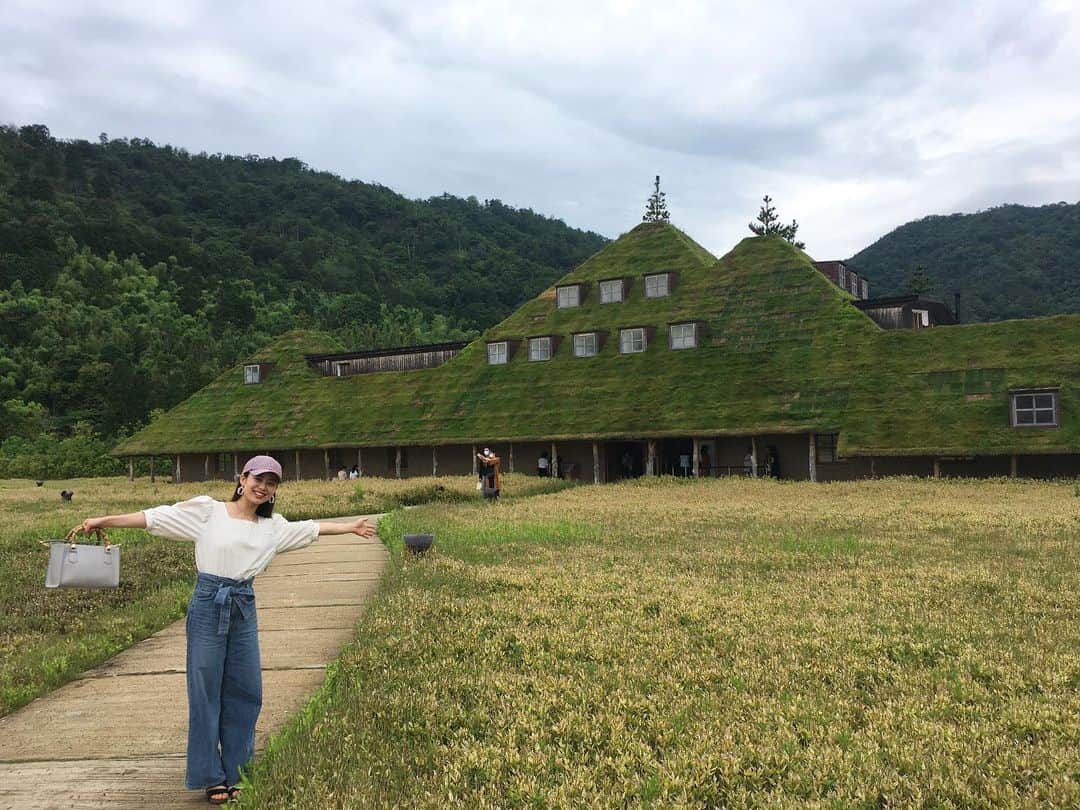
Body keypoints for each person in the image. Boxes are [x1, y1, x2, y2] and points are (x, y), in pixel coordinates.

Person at [80, 455, 375, 805]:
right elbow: (154, 517)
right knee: (205, 689)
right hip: (208, 603)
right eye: (257, 479)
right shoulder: (208, 512)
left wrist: (350, 527)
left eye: (271, 482)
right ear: (242, 478)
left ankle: (237, 771)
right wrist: (105, 520)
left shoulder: (273, 527)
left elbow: (310, 528)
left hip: (242, 605)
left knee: (246, 688)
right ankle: (210, 775)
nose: (262, 487)